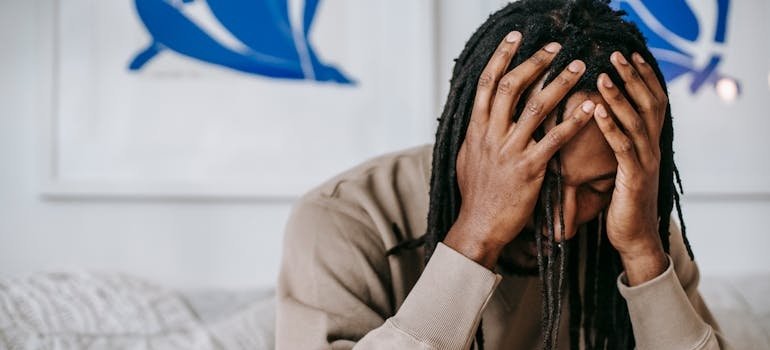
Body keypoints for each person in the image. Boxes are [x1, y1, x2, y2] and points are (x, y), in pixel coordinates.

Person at [276, 0, 730, 349]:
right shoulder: (343, 221)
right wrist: (475, 235)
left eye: (597, 187)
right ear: (473, 141)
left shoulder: (629, 217)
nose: (564, 225)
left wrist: (643, 253)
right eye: (541, 180)